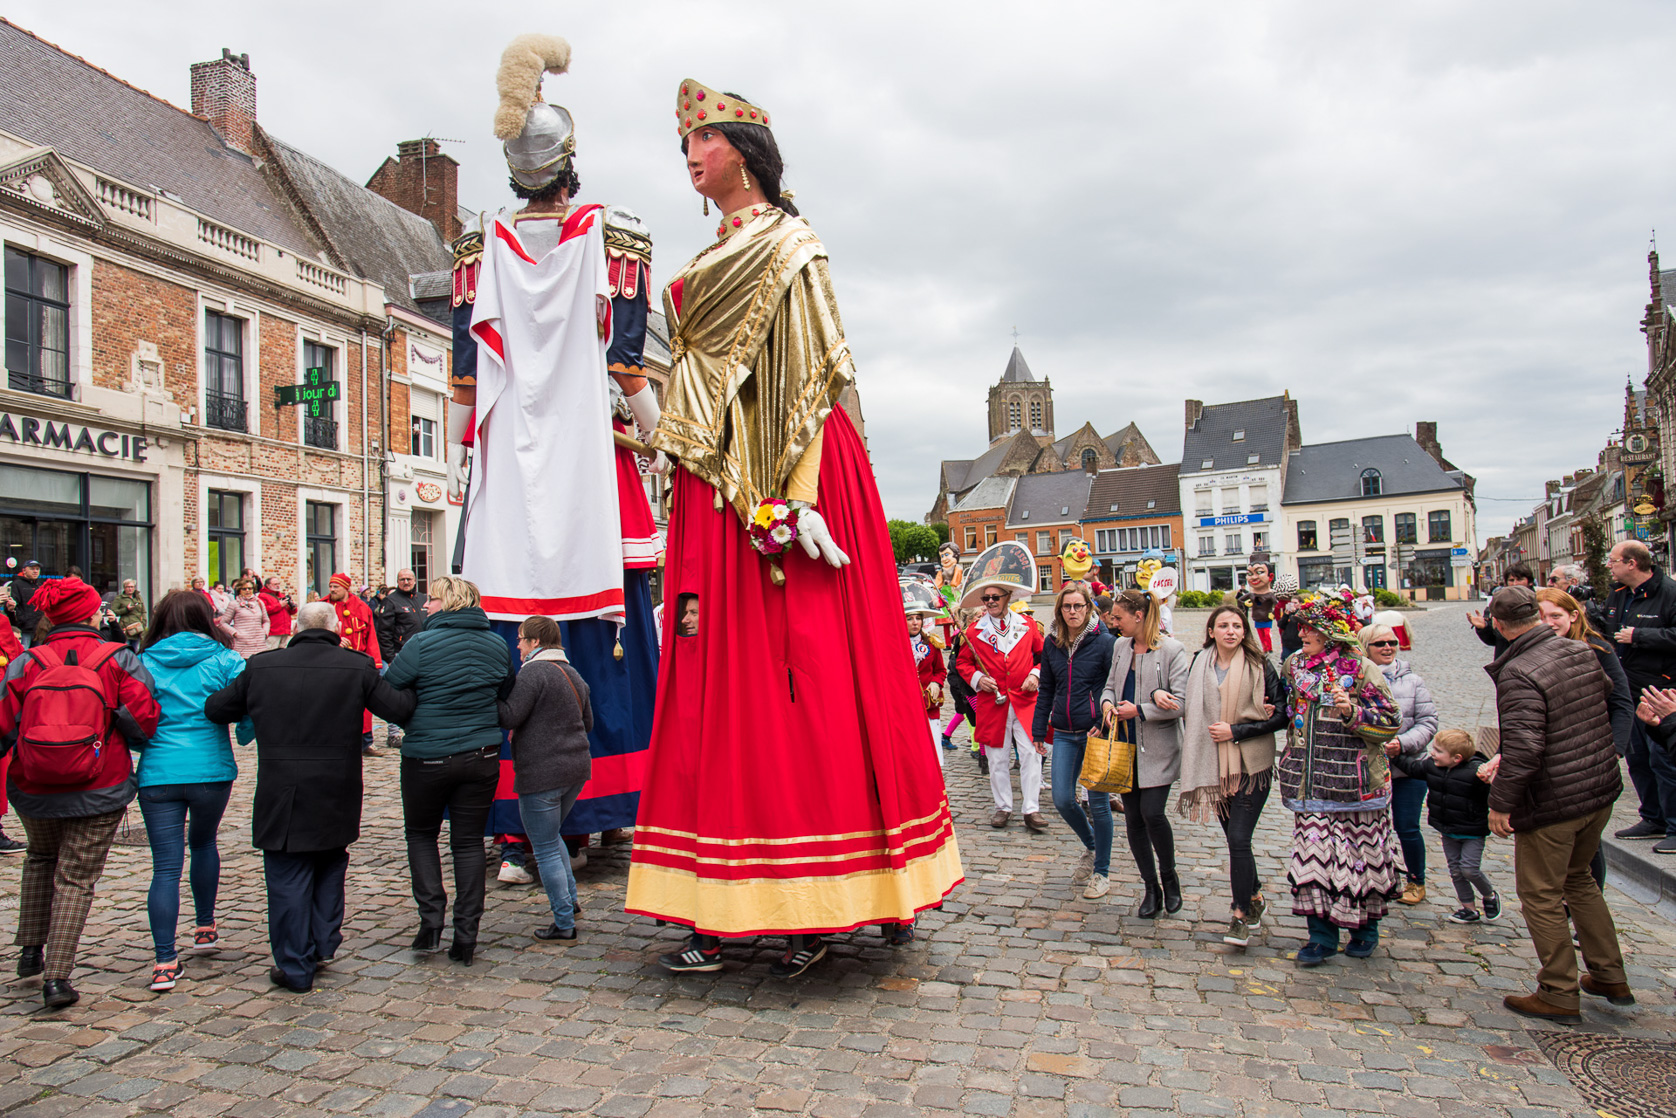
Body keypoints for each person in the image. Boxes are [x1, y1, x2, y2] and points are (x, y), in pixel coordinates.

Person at [628, 80, 962, 979]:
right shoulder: (713, 255)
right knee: (716, 687)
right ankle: (729, 895)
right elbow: (695, 403)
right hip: (717, 485)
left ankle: (824, 895)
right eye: (685, 145)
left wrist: (801, 495)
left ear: (741, 148)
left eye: (700, 140)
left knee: (806, 680)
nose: (691, 158)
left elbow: (817, 380)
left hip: (789, 484)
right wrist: (633, 389)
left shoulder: (792, 246)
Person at [451, 37, 663, 875]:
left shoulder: (477, 256)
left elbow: (467, 393)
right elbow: (628, 366)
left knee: (511, 638)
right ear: (571, 163)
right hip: (596, 480)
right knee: (611, 639)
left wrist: (469, 474)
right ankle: (614, 806)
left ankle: (522, 820)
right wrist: (667, 442)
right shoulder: (620, 243)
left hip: (509, 480)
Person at [204, 602, 415, 993]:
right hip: (337, 786)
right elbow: (400, 708)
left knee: (288, 875)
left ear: (297, 627)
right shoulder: (355, 667)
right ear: (335, 627)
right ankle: (320, 945)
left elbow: (217, 708)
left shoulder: (263, 667)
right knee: (330, 865)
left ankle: (296, 962)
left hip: (282, 786)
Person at [0, 577, 160, 1008]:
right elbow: (144, 720)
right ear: (92, 613)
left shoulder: (28, 661)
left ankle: (30, 951)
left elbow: (3, 724)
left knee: (39, 858)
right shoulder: (118, 658)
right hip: (99, 782)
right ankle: (58, 977)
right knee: (75, 878)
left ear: (50, 616)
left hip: (34, 782)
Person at [1481, 585, 1632, 1021]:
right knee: (1578, 880)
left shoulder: (1520, 670)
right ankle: (1609, 973)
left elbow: (1526, 747)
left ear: (1499, 624)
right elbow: (1599, 699)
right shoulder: (1579, 651)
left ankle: (1559, 989)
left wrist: (1501, 804)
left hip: (1555, 798)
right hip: (1597, 788)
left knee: (1541, 893)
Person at [383, 576, 516, 967]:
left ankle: (430, 924)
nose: (425, 605)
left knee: (421, 835)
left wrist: (411, 715)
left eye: (433, 599)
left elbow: (390, 688)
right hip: (481, 755)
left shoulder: (422, 643)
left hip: (428, 755)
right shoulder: (495, 643)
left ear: (450, 603)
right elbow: (505, 690)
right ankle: (466, 934)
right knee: (469, 842)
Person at [1276, 589, 1402, 967]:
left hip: (1355, 787)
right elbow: (1288, 709)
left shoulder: (1362, 669)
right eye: (1301, 629)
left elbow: (1391, 722)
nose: (1302, 636)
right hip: (1309, 784)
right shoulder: (1294, 666)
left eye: (1309, 629)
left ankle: (1365, 930)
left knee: (1360, 863)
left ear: (1329, 631)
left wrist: (1354, 713)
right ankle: (1321, 936)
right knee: (1313, 863)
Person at [135, 591, 251, 991]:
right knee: (203, 844)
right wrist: (246, 733)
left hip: (158, 769)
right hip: (209, 768)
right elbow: (248, 709)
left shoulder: (144, 662)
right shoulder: (224, 659)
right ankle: (205, 925)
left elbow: (133, 715)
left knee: (164, 866)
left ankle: (165, 960)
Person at [1178, 604, 1288, 947]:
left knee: (1239, 839)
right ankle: (1253, 895)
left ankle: (1240, 915)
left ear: (1244, 632)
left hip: (1251, 764)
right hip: (1214, 763)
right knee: (1235, 840)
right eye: (1223, 625)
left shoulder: (1260, 665)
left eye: (1237, 626)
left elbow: (1282, 714)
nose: (1230, 631)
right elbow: (1184, 700)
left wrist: (1237, 730)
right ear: (1211, 631)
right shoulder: (1198, 663)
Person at [497, 616, 592, 942]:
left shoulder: (534, 672)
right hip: (575, 769)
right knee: (552, 839)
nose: (518, 644)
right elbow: (588, 722)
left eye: (521, 638)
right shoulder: (573, 673)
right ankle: (571, 903)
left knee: (545, 847)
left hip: (541, 772)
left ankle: (564, 922)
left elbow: (509, 715)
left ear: (536, 642)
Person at [1100, 588, 1190, 917]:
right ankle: (1150, 886)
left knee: (1153, 813)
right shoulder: (1121, 647)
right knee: (1134, 819)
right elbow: (1109, 686)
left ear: (1138, 617)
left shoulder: (1171, 650)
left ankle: (1170, 878)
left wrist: (1139, 709)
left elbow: (1181, 703)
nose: (1114, 623)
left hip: (1158, 748)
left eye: (1119, 617)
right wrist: (1108, 703)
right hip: (1125, 746)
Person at [1033, 583, 1117, 899]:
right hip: (1065, 731)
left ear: (1088, 608)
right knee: (1063, 799)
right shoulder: (1052, 643)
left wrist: (1101, 720)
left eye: (1078, 606)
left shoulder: (1105, 642)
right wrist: (1039, 730)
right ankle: (1093, 845)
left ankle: (1102, 872)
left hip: (1095, 732)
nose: (1072, 612)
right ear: (1059, 610)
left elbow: (1113, 687)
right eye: (1067, 606)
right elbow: (1046, 690)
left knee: (1097, 803)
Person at [956, 550, 1048, 832]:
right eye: (986, 599)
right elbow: (962, 662)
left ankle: (1031, 809)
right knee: (997, 757)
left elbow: (1045, 657)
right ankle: (1003, 806)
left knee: (1032, 754)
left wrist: (1035, 673)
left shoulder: (1028, 626)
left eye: (996, 597)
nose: (991, 602)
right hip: (993, 703)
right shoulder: (974, 631)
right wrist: (978, 680)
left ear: (1008, 598)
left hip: (1025, 700)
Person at [1601, 540, 1676, 853]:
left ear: (1632, 563)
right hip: (1627, 690)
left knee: (1665, 761)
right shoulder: (1618, 595)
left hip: (1661, 690)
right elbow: (1606, 633)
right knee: (1637, 759)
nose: (1609, 565)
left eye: (1614, 560)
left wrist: (1639, 636)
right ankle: (1652, 816)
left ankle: (1675, 824)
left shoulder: (1669, 593)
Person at [1358, 623, 1438, 907]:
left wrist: (1402, 744)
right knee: (1371, 828)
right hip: (1369, 769)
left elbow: (1429, 721)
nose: (1388, 648)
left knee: (1407, 826)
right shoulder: (1356, 681)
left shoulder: (1412, 681)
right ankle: (1378, 878)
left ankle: (1416, 880)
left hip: (1408, 767)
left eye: (1392, 642)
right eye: (1380, 644)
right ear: (1365, 648)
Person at [1389, 728, 1498, 924]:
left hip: (1472, 831)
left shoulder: (1476, 772)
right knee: (1455, 870)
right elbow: (1413, 768)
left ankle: (1489, 895)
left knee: (1469, 869)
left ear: (1456, 758)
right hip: (1448, 829)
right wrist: (1395, 756)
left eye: (1438, 751)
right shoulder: (1433, 767)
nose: (1432, 753)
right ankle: (1468, 908)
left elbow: (1493, 793)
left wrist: (1491, 779)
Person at [326, 573, 384, 755]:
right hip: (330, 663)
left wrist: (375, 663)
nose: (332, 590)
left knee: (362, 703)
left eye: (336, 586)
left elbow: (371, 636)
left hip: (358, 662)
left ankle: (366, 742)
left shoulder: (361, 607)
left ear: (346, 587)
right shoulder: (322, 606)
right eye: (331, 586)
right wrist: (334, 639)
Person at [373, 569, 429, 751]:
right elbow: (384, 632)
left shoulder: (423, 598)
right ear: (397, 581)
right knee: (396, 695)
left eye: (409, 579)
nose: (406, 582)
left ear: (415, 580)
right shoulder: (391, 601)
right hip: (400, 656)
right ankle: (394, 733)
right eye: (402, 579)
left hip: (423, 654)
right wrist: (389, 657)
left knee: (421, 693)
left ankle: (418, 729)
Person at [907, 601, 948, 766]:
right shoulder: (894, 645)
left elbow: (941, 671)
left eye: (918, 618)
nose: (915, 622)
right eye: (910, 618)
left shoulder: (932, 643)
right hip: (906, 707)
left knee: (933, 755)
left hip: (928, 706)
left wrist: (936, 683)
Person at [1467, 563, 1533, 657]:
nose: (1515, 584)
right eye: (1511, 580)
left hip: (1532, 656)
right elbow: (1492, 640)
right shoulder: (1497, 602)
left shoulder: (1540, 600)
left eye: (1520, 579)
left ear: (1529, 581)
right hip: (1506, 658)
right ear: (1506, 583)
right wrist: (1484, 627)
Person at [1236, 553, 1279, 654]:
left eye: (1259, 572)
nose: (1254, 577)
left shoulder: (1270, 594)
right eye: (1250, 574)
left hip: (1266, 617)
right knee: (1260, 633)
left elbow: (1277, 604)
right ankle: (1264, 648)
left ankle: (1269, 648)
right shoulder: (1252, 594)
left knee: (1267, 633)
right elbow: (1239, 600)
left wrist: (1273, 613)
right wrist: (1246, 603)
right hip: (1257, 617)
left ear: (1270, 576)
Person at [219, 579, 270, 659]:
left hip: (259, 644)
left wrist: (265, 633)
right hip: (242, 644)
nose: (247, 591)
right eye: (244, 589)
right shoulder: (234, 604)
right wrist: (235, 633)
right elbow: (223, 623)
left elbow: (266, 621)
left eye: (250, 588)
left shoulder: (259, 603)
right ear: (239, 590)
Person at [8, 559, 43, 647]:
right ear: (24, 570)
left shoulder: (40, 586)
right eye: (32, 569)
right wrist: (21, 621)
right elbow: (11, 606)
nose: (35, 571)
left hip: (38, 630)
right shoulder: (16, 585)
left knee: (37, 658)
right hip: (24, 630)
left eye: (37, 569)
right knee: (23, 657)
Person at [258, 577, 297, 651]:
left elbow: (291, 612)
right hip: (273, 631)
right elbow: (264, 610)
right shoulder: (262, 596)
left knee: (284, 652)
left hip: (285, 630)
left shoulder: (282, 596)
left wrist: (293, 607)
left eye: (278, 584)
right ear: (268, 585)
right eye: (275, 584)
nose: (278, 586)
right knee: (271, 651)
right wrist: (279, 605)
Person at [111, 579, 148, 648]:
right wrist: (126, 610)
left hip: (138, 629)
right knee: (126, 649)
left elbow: (143, 611)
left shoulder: (138, 598)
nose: (130, 589)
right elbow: (114, 612)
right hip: (126, 629)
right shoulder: (119, 598)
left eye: (132, 587)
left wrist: (143, 623)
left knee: (136, 650)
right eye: (128, 587)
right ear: (124, 588)